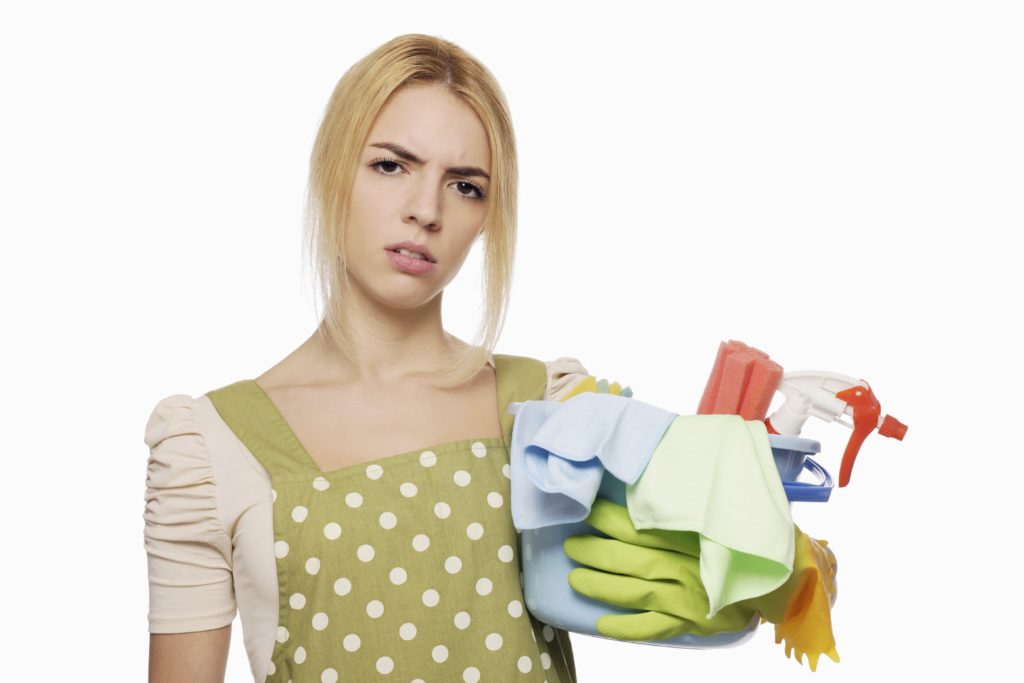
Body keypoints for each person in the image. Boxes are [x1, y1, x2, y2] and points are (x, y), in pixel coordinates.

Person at [144, 33, 838, 683]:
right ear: (333, 171)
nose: (426, 210)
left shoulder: (556, 409)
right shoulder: (211, 448)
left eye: (465, 184)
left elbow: (708, 541)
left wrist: (793, 569)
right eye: (391, 165)